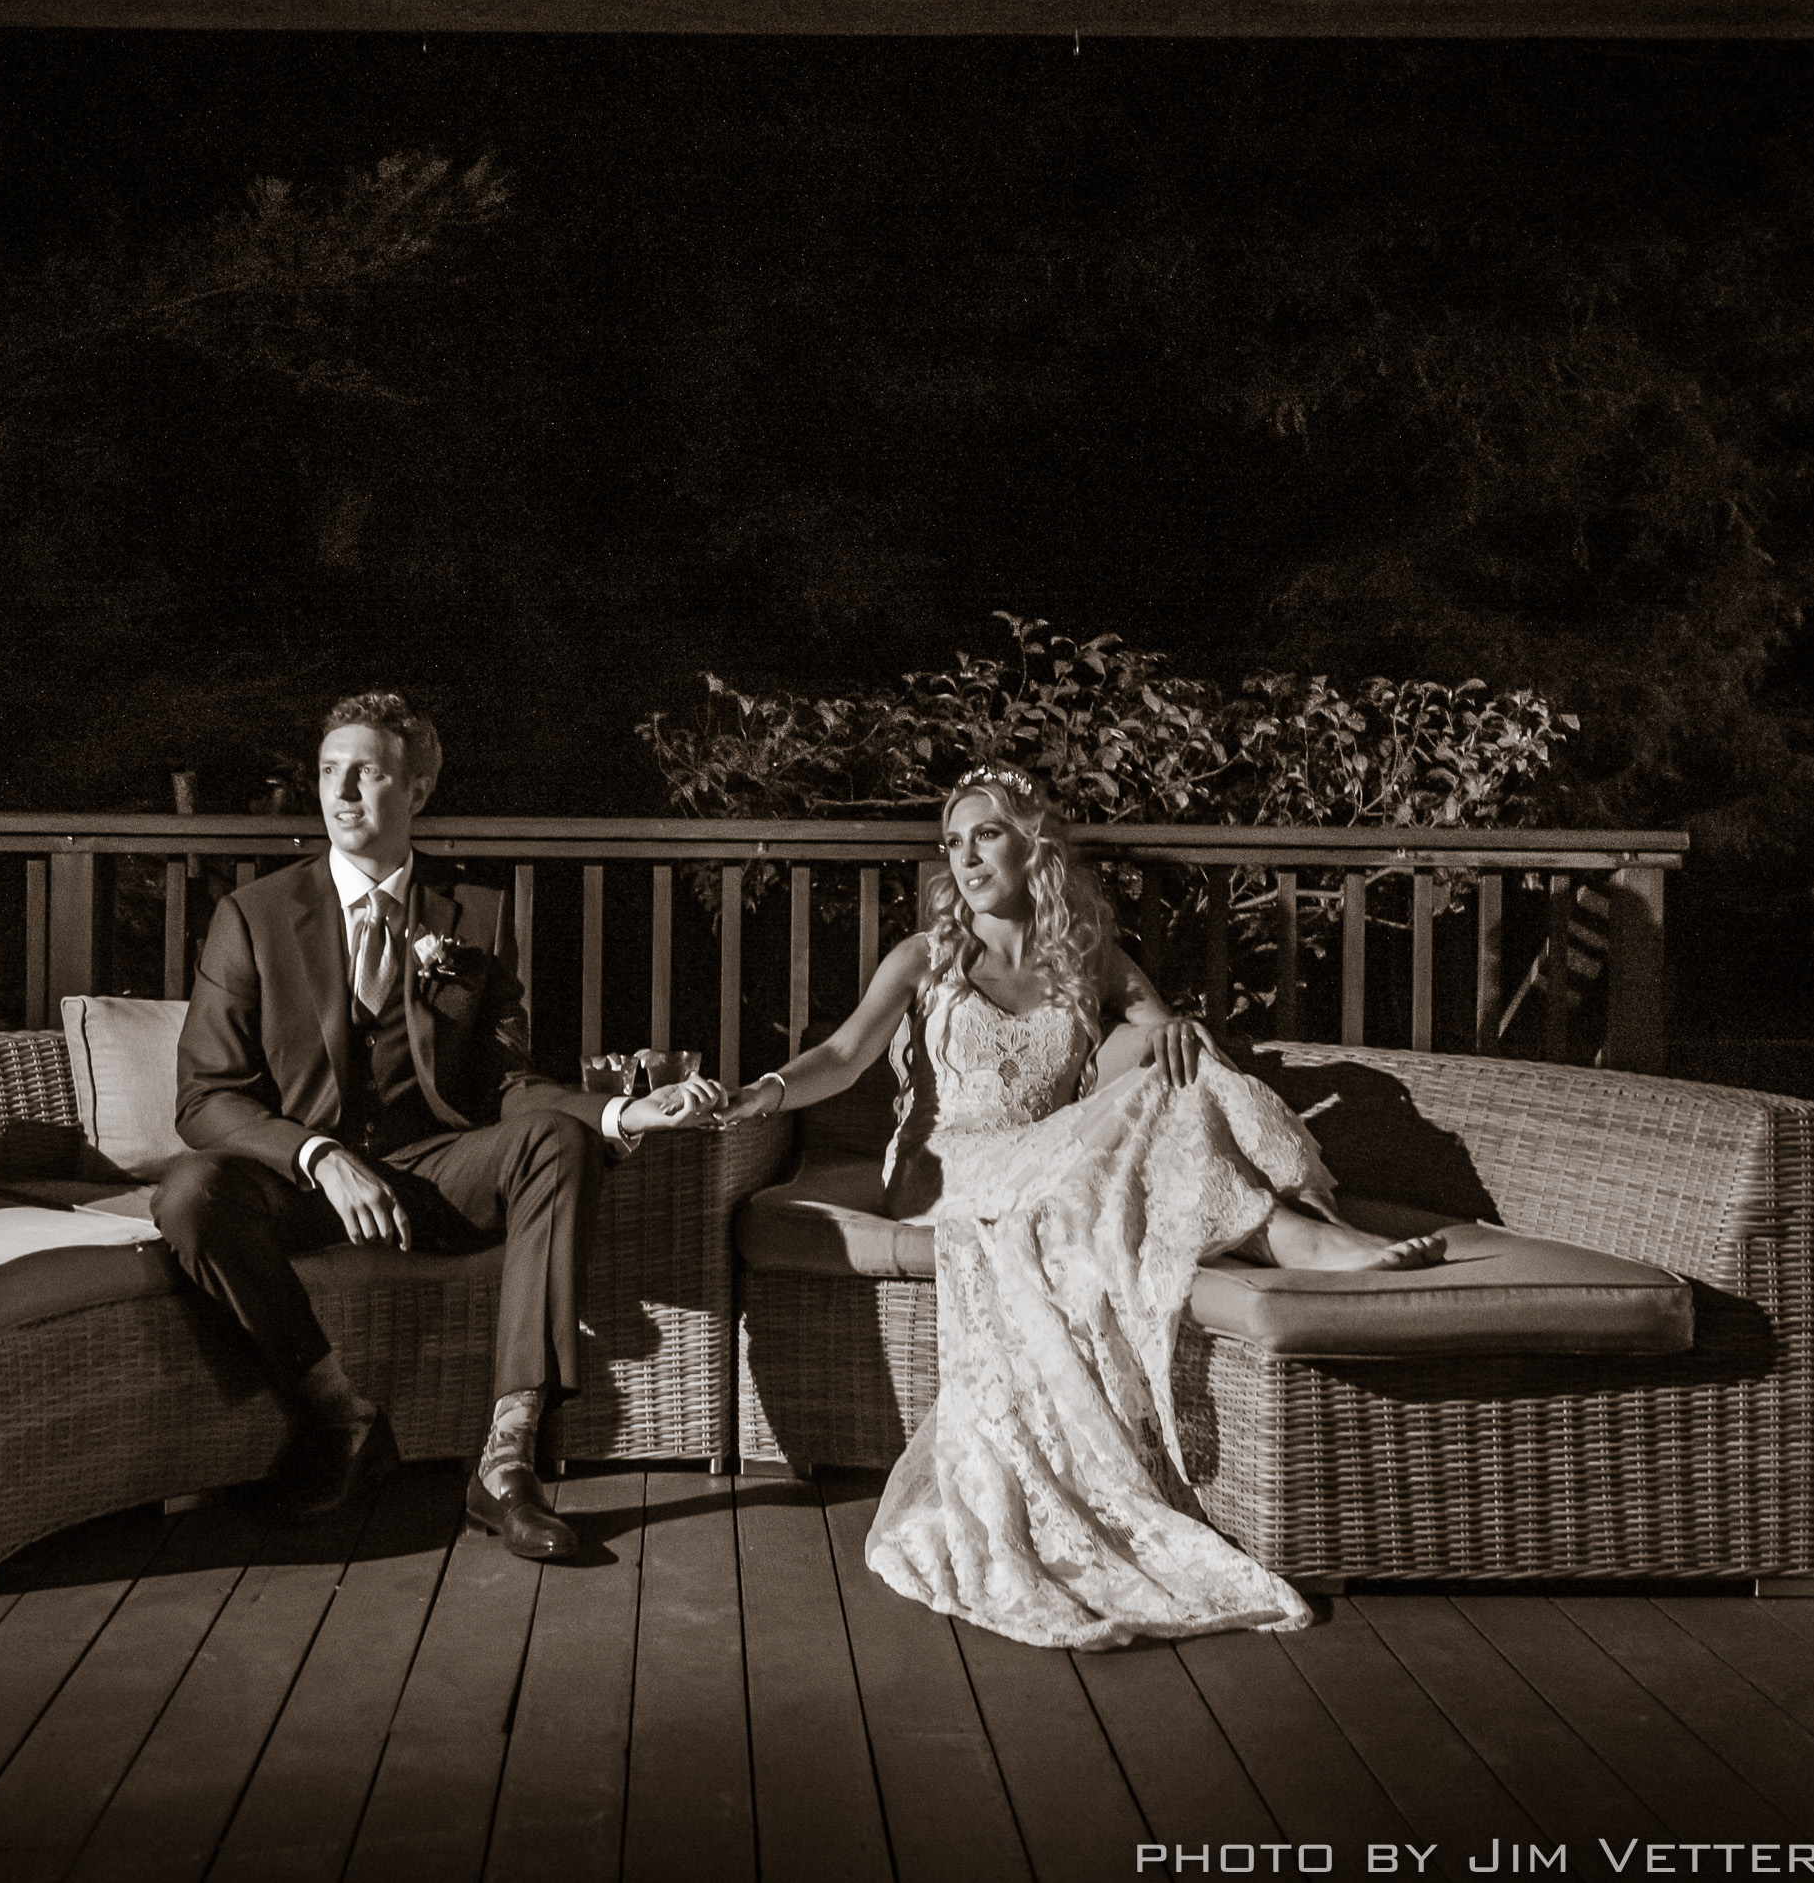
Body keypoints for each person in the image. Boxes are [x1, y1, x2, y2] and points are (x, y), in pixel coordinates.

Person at [694, 765, 1445, 1646]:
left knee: (1177, 1073)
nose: (964, 857)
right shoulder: (928, 956)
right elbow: (846, 1052)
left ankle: (1297, 1226)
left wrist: (1160, 1028)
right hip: (947, 1170)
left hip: (1051, 1162)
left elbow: (1171, 1068)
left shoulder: (1088, 954)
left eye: (984, 835)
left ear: (1031, 843)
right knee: (1134, 1113)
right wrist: (767, 1090)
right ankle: (1297, 1236)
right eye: (952, 842)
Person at [156, 691, 713, 1559]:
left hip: (434, 1167)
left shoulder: (476, 918)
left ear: (416, 790)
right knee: (190, 1195)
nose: (340, 791)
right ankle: (336, 1413)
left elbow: (505, 1081)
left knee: (560, 1141)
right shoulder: (254, 914)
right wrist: (316, 1153)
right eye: (327, 772)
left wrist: (616, 1110)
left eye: (366, 773)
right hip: (298, 1182)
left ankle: (506, 1457)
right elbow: (204, 1098)